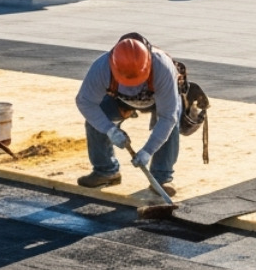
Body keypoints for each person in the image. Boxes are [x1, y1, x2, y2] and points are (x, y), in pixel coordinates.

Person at [75, 34, 181, 192]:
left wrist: (148, 150)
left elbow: (167, 116)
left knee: (171, 125)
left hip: (158, 100)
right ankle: (106, 171)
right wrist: (109, 129)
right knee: (95, 121)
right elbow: (85, 102)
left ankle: (161, 179)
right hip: (120, 99)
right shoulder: (102, 67)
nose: (134, 85)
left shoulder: (162, 66)